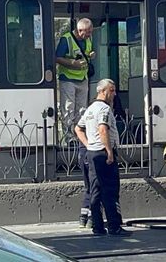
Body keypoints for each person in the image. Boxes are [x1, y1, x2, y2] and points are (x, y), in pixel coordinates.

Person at [74, 79, 131, 237]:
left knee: (95, 190)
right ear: (102, 91)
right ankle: (114, 226)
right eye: (111, 90)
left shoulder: (90, 109)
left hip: (92, 153)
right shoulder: (105, 109)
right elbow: (103, 130)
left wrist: (88, 143)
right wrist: (109, 151)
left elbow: (78, 128)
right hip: (103, 153)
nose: (114, 94)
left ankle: (97, 227)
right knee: (110, 190)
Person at [56, 18, 95, 225]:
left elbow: (88, 53)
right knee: (68, 110)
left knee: (82, 110)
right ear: (77, 29)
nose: (85, 36)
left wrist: (89, 56)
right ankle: (69, 137)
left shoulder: (88, 40)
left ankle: (80, 136)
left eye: (88, 33)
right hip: (68, 78)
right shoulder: (66, 39)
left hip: (82, 78)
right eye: (82, 32)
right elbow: (57, 58)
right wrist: (72, 63)